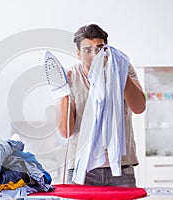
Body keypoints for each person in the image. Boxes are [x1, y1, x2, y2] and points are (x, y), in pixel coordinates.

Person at [56, 24, 146, 187]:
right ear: (78, 54)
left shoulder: (123, 66)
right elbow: (65, 131)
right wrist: (63, 93)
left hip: (120, 166)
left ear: (107, 49)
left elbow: (139, 107)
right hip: (81, 167)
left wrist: (119, 72)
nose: (95, 54)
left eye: (99, 48)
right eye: (87, 50)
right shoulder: (71, 75)